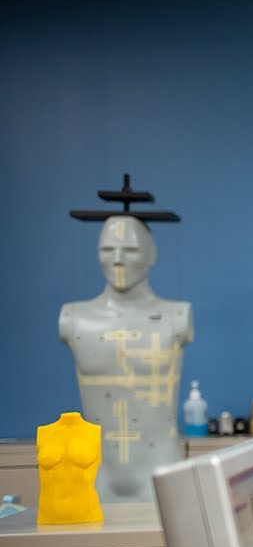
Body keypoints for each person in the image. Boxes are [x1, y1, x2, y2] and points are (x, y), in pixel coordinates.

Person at [60, 215, 193, 502]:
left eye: (130, 250)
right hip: (97, 471)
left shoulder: (176, 316)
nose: (118, 259)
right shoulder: (74, 317)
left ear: (151, 254)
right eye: (107, 249)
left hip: (160, 467)